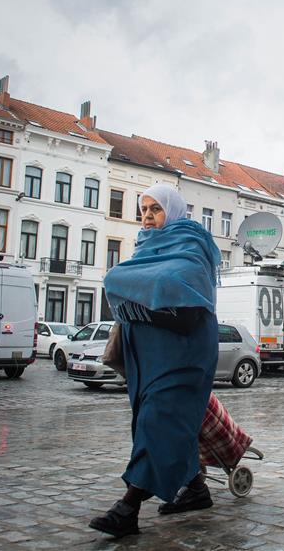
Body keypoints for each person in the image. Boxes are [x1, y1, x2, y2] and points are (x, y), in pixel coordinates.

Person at [89, 185, 221, 538]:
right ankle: (196, 489)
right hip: (148, 355)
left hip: (184, 353)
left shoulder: (192, 249)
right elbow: (120, 282)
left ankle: (127, 508)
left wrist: (140, 309)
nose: (147, 216)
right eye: (143, 209)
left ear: (173, 212)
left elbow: (189, 316)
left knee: (159, 421)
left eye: (155, 209)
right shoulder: (143, 248)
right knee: (161, 422)